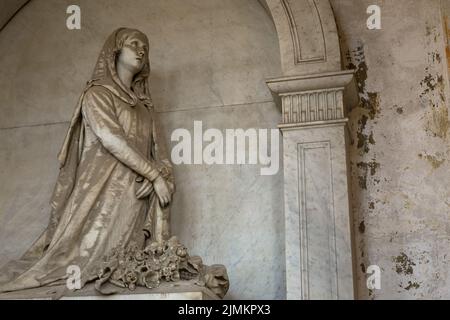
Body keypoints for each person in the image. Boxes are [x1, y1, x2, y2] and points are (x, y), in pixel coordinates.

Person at [0, 28, 175, 293]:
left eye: (146, 47)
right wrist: (154, 175)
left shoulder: (145, 107)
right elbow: (111, 139)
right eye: (134, 44)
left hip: (135, 195)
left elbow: (160, 153)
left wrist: (160, 174)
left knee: (120, 261)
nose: (141, 50)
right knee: (81, 258)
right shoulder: (97, 94)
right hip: (98, 191)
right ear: (115, 50)